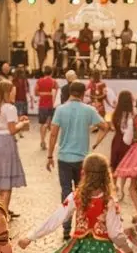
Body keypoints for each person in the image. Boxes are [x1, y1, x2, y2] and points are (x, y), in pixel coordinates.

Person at [47, 80, 109, 238]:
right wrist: (95, 143)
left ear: (69, 93)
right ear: (83, 94)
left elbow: (53, 133)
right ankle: (82, 225)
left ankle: (66, 228)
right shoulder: (89, 110)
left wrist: (49, 155)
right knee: (84, 192)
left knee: (66, 192)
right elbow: (105, 126)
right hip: (82, 159)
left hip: (64, 157)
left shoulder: (60, 110)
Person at [0, 78, 28, 216]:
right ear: (7, 93)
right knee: (7, 182)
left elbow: (0, 124)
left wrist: (17, 121)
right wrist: (23, 123)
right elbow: (12, 130)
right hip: (6, 143)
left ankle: (3, 207)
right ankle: (3, 213)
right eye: (13, 92)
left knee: (1, 177)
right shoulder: (10, 108)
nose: (14, 95)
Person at [110, 90, 134, 176]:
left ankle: (114, 183)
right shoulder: (132, 114)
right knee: (128, 163)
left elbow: (113, 127)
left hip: (117, 138)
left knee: (115, 163)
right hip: (128, 140)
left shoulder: (116, 113)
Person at [36, 65, 57, 151]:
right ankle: (48, 141)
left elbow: (35, 92)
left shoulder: (39, 81)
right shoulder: (54, 82)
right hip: (50, 105)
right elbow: (55, 94)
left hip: (42, 105)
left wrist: (43, 94)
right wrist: (49, 95)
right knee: (48, 124)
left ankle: (42, 140)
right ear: (51, 72)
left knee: (42, 124)